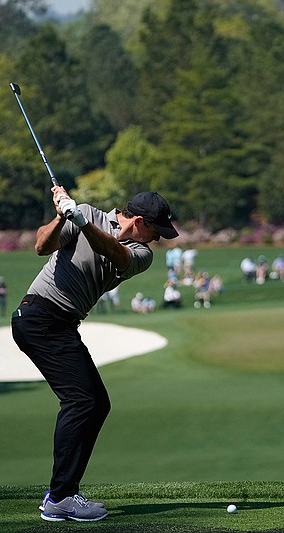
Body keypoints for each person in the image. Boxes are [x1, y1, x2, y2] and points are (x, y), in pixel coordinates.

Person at [11, 187, 178, 522]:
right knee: (82, 401)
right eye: (156, 232)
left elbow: (115, 253)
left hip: (61, 324)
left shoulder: (140, 254)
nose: (157, 239)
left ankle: (63, 492)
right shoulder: (85, 214)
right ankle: (60, 497)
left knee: (95, 403)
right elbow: (41, 246)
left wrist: (81, 221)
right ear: (140, 221)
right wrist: (62, 217)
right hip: (40, 317)